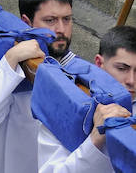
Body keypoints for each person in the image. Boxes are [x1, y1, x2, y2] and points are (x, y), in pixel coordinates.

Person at [0, 0, 75, 173]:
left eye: (67, 19)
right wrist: (11, 59)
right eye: (51, 20)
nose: (61, 29)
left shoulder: (77, 70)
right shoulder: (3, 62)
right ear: (26, 22)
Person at [36, 25, 136, 173]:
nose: (131, 80)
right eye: (122, 68)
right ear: (99, 63)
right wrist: (95, 140)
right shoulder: (66, 104)